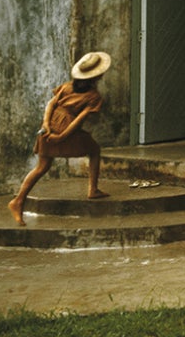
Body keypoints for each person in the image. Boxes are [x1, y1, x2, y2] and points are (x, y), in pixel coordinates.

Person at [7, 51, 112, 225]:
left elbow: (50, 104)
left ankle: (19, 200)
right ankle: (92, 189)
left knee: (42, 167)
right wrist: (62, 136)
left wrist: (46, 124)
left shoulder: (67, 86)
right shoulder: (94, 96)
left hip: (51, 123)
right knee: (94, 150)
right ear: (97, 76)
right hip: (67, 127)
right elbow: (79, 121)